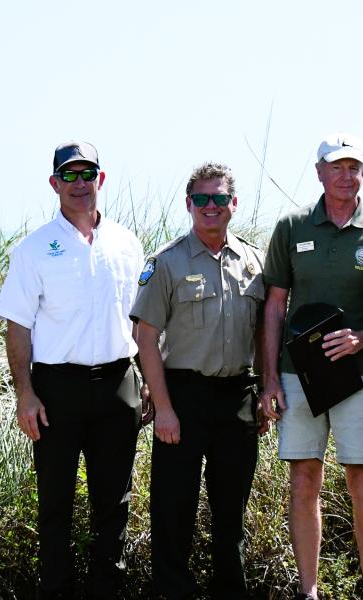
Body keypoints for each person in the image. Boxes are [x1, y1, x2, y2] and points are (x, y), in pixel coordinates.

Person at [0, 141, 146, 599]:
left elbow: (140, 320)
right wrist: (26, 393)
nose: (79, 184)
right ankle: (56, 590)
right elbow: (17, 327)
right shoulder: (34, 249)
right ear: (54, 182)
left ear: (101, 179)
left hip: (119, 384)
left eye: (88, 174)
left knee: (113, 503)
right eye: (69, 175)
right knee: (56, 502)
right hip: (56, 389)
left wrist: (149, 386)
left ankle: (108, 590)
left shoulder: (127, 242)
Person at [260, 133, 363, 600]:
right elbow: (275, 305)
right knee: (304, 478)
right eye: (335, 167)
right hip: (297, 375)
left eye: (354, 167)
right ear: (319, 172)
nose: (345, 175)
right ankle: (309, 591)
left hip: (362, 374)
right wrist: (268, 380)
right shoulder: (291, 227)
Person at [131, 162, 266, 599]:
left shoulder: (255, 262)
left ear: (233, 204)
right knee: (174, 510)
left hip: (237, 397)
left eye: (220, 198)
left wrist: (264, 391)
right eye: (202, 199)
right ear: (189, 204)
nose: (212, 207)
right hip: (183, 397)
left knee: (231, 513)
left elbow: (266, 333)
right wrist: (164, 409)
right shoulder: (166, 262)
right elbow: (145, 337)